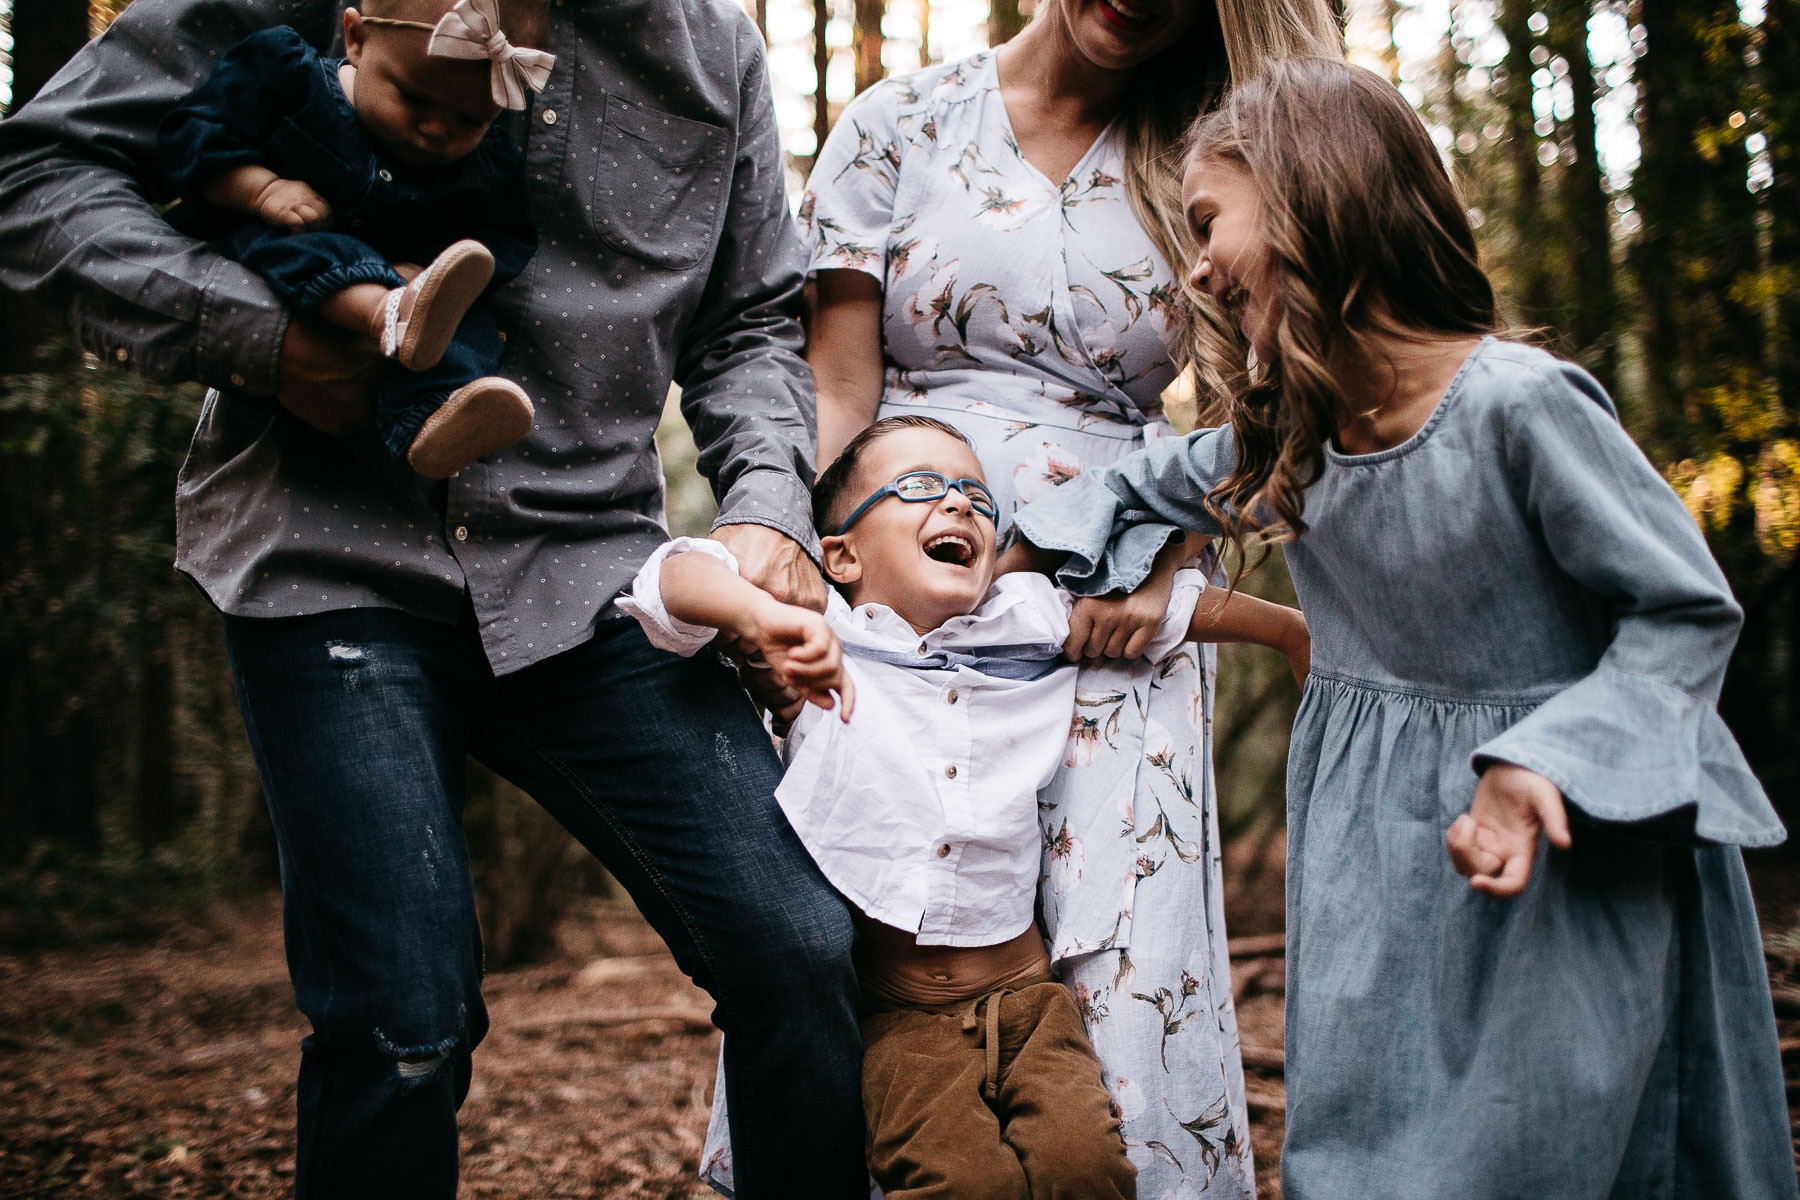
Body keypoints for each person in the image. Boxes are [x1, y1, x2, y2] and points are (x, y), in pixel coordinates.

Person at [0, 0, 871, 1197]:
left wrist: (768, 509)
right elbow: (42, 173)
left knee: (801, 946)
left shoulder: (711, 52)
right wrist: (260, 337)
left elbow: (751, 322)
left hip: (591, 575)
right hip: (329, 556)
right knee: (401, 1020)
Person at [1009, 58, 1796, 1199]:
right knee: (1374, 1143)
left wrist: (1539, 763)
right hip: (1373, 863)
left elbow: (1681, 612)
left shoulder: (1518, 407)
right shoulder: (1294, 444)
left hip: (1557, 856)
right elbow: (1128, 494)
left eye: (1207, 223)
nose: (1195, 267)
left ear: (1312, 197)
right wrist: (1025, 564)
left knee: (1548, 1142)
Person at [790, 0, 1342, 1193]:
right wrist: (797, 567)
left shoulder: (1202, 152)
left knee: (1117, 963)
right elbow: (836, 395)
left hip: (1122, 610)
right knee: (893, 925)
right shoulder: (900, 121)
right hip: (911, 598)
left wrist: (1160, 575)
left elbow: (1269, 405)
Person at [621, 415, 1308, 1200]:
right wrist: (757, 614)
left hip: (1030, 1004)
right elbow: (669, 579)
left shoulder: (1030, 615)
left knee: (1088, 1171)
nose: (957, 506)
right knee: (962, 1184)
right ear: (839, 554)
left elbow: (1176, 611)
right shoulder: (819, 634)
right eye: (917, 488)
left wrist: (1288, 632)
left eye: (976, 497)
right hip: (897, 1019)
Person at [157, 0, 547, 478]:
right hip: (289, 242)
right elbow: (191, 139)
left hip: (415, 281)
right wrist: (262, 190)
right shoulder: (287, 77)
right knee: (306, 246)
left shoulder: (491, 165)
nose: (435, 129)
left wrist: (434, 271)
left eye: (470, 120)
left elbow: (508, 236)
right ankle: (388, 314)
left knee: (473, 331)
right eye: (413, 98)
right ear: (357, 40)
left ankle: (433, 423)